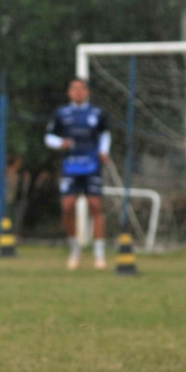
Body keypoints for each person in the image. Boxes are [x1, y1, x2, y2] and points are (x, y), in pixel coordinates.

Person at [46, 78, 111, 271]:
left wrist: (104, 151)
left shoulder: (97, 114)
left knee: (95, 205)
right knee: (67, 207)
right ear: (69, 92)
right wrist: (60, 144)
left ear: (88, 92)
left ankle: (99, 254)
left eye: (82, 89)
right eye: (74, 88)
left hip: (92, 165)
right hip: (71, 166)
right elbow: (49, 137)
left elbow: (105, 134)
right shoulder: (62, 114)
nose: (78, 92)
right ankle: (75, 250)